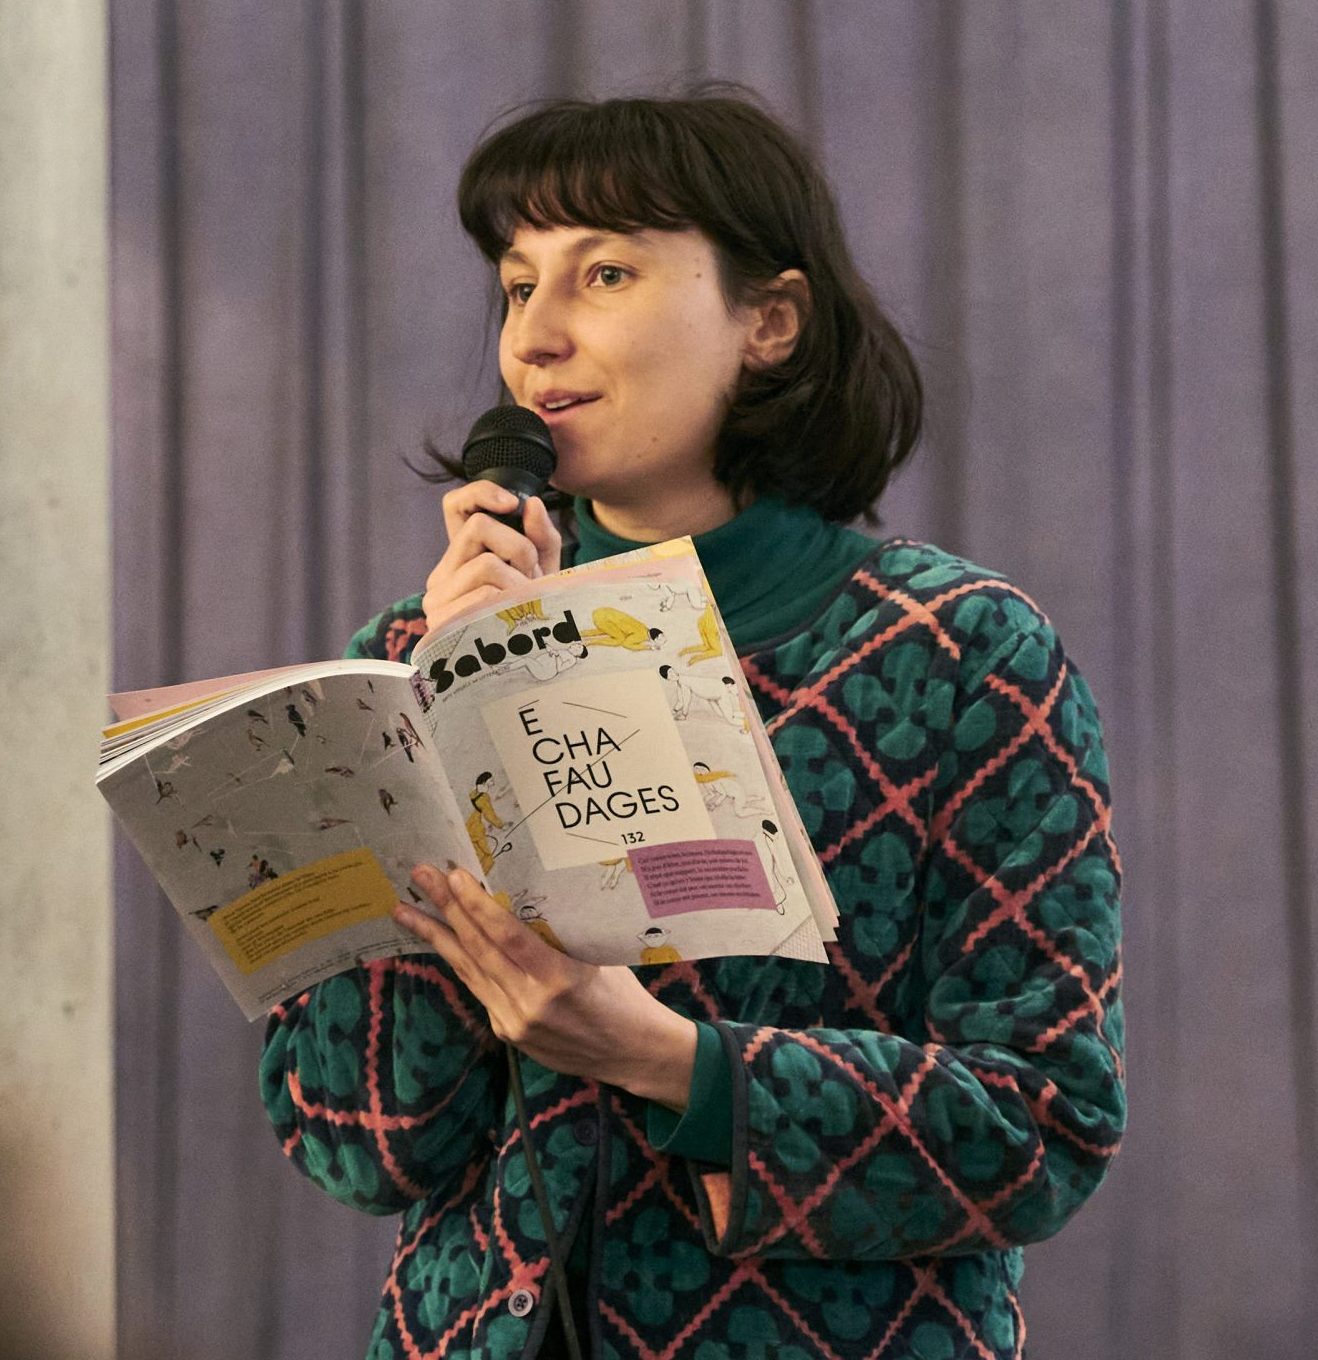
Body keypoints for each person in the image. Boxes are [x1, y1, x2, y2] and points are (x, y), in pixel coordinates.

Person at [259, 89, 1125, 1360]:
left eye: (603, 274)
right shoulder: (402, 658)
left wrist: (677, 1062)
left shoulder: (958, 653)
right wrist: (455, 701)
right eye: (516, 285)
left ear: (768, 322)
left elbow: (1044, 1123)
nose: (534, 337)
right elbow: (354, 1141)